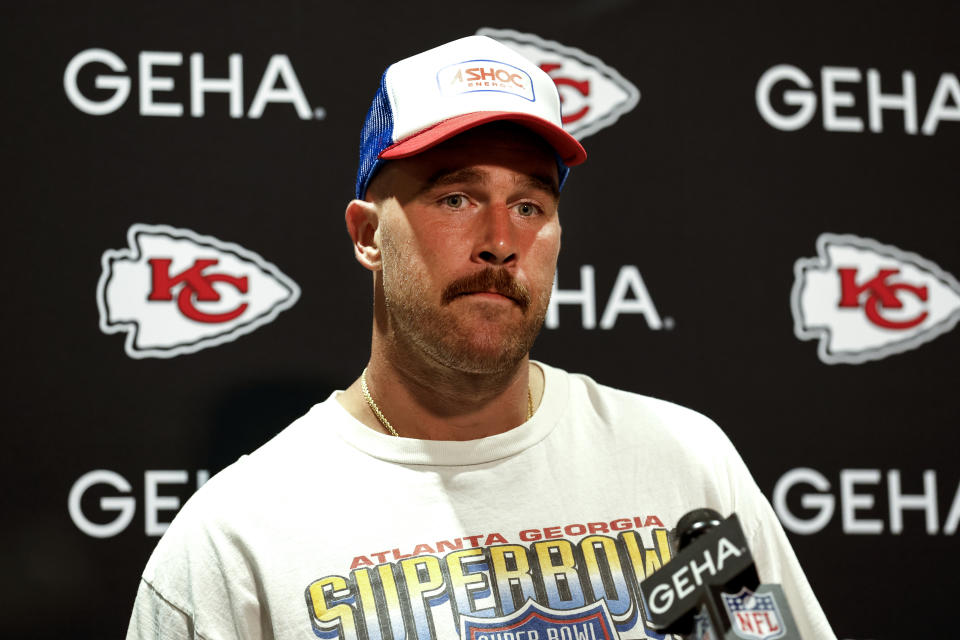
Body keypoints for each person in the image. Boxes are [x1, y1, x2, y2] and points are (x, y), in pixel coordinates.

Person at [126, 35, 836, 640]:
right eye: (456, 199)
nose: (500, 241)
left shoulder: (685, 466)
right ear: (369, 235)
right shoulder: (235, 539)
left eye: (530, 205)